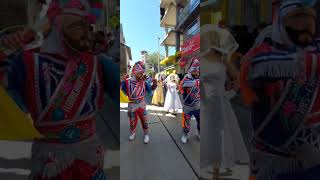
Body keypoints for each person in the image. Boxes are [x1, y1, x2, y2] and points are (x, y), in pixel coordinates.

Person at [0, 0, 119, 179]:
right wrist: (8, 48)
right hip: (48, 161)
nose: (87, 34)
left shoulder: (98, 63)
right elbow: (10, 95)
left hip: (89, 159)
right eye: (78, 26)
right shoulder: (26, 62)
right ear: (57, 27)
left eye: (88, 27)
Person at [240, 0, 320, 179]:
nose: (305, 27)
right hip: (273, 160)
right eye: (297, 21)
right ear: (282, 24)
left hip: (313, 154)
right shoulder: (262, 53)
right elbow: (258, 69)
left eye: (309, 21)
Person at [200, 25, 248, 180]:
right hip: (206, 103)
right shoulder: (201, 58)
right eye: (209, 37)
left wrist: (231, 94)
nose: (210, 40)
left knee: (220, 136)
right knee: (209, 136)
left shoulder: (223, 59)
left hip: (221, 103)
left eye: (213, 38)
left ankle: (216, 173)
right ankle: (213, 170)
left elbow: (237, 78)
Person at [121, 61, 156, 144]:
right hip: (132, 105)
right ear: (134, 72)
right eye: (140, 73)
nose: (141, 75)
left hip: (141, 104)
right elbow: (121, 90)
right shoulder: (126, 82)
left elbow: (150, 89)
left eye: (142, 73)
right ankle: (132, 132)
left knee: (144, 120)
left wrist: (154, 84)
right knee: (132, 121)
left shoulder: (144, 82)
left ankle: (146, 133)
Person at [180, 58, 200, 144]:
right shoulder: (186, 78)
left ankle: (200, 133)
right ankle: (185, 134)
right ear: (191, 70)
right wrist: (196, 83)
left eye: (197, 71)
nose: (196, 73)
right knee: (186, 122)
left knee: (201, 121)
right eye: (194, 71)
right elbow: (181, 87)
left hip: (199, 106)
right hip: (188, 106)